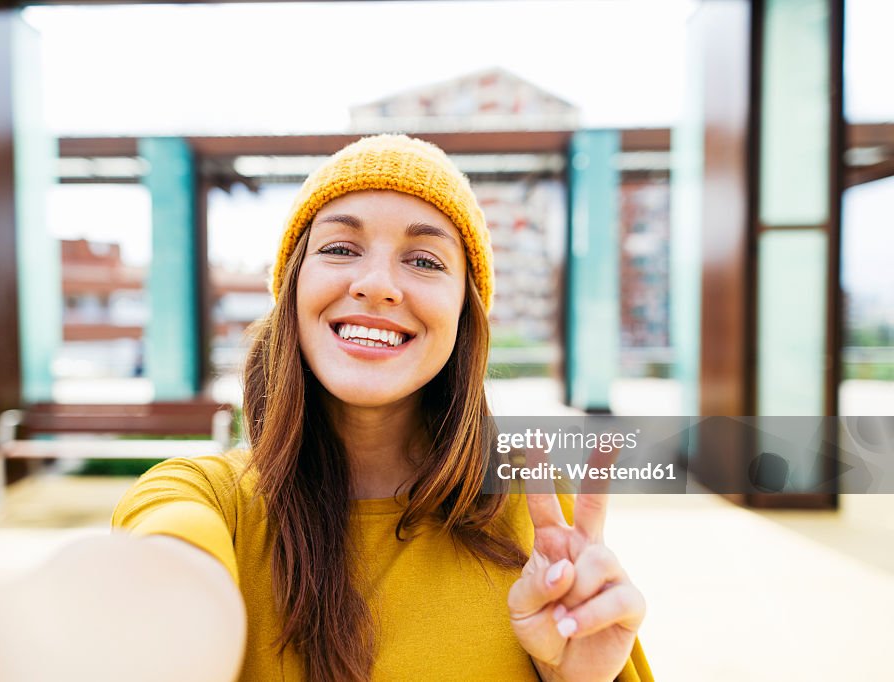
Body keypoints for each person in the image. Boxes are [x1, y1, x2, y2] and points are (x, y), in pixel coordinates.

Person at [112, 134, 653, 681]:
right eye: (341, 249)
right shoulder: (203, 498)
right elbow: (165, 567)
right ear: (293, 288)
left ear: (465, 314)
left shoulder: (537, 511)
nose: (376, 285)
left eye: (423, 260)